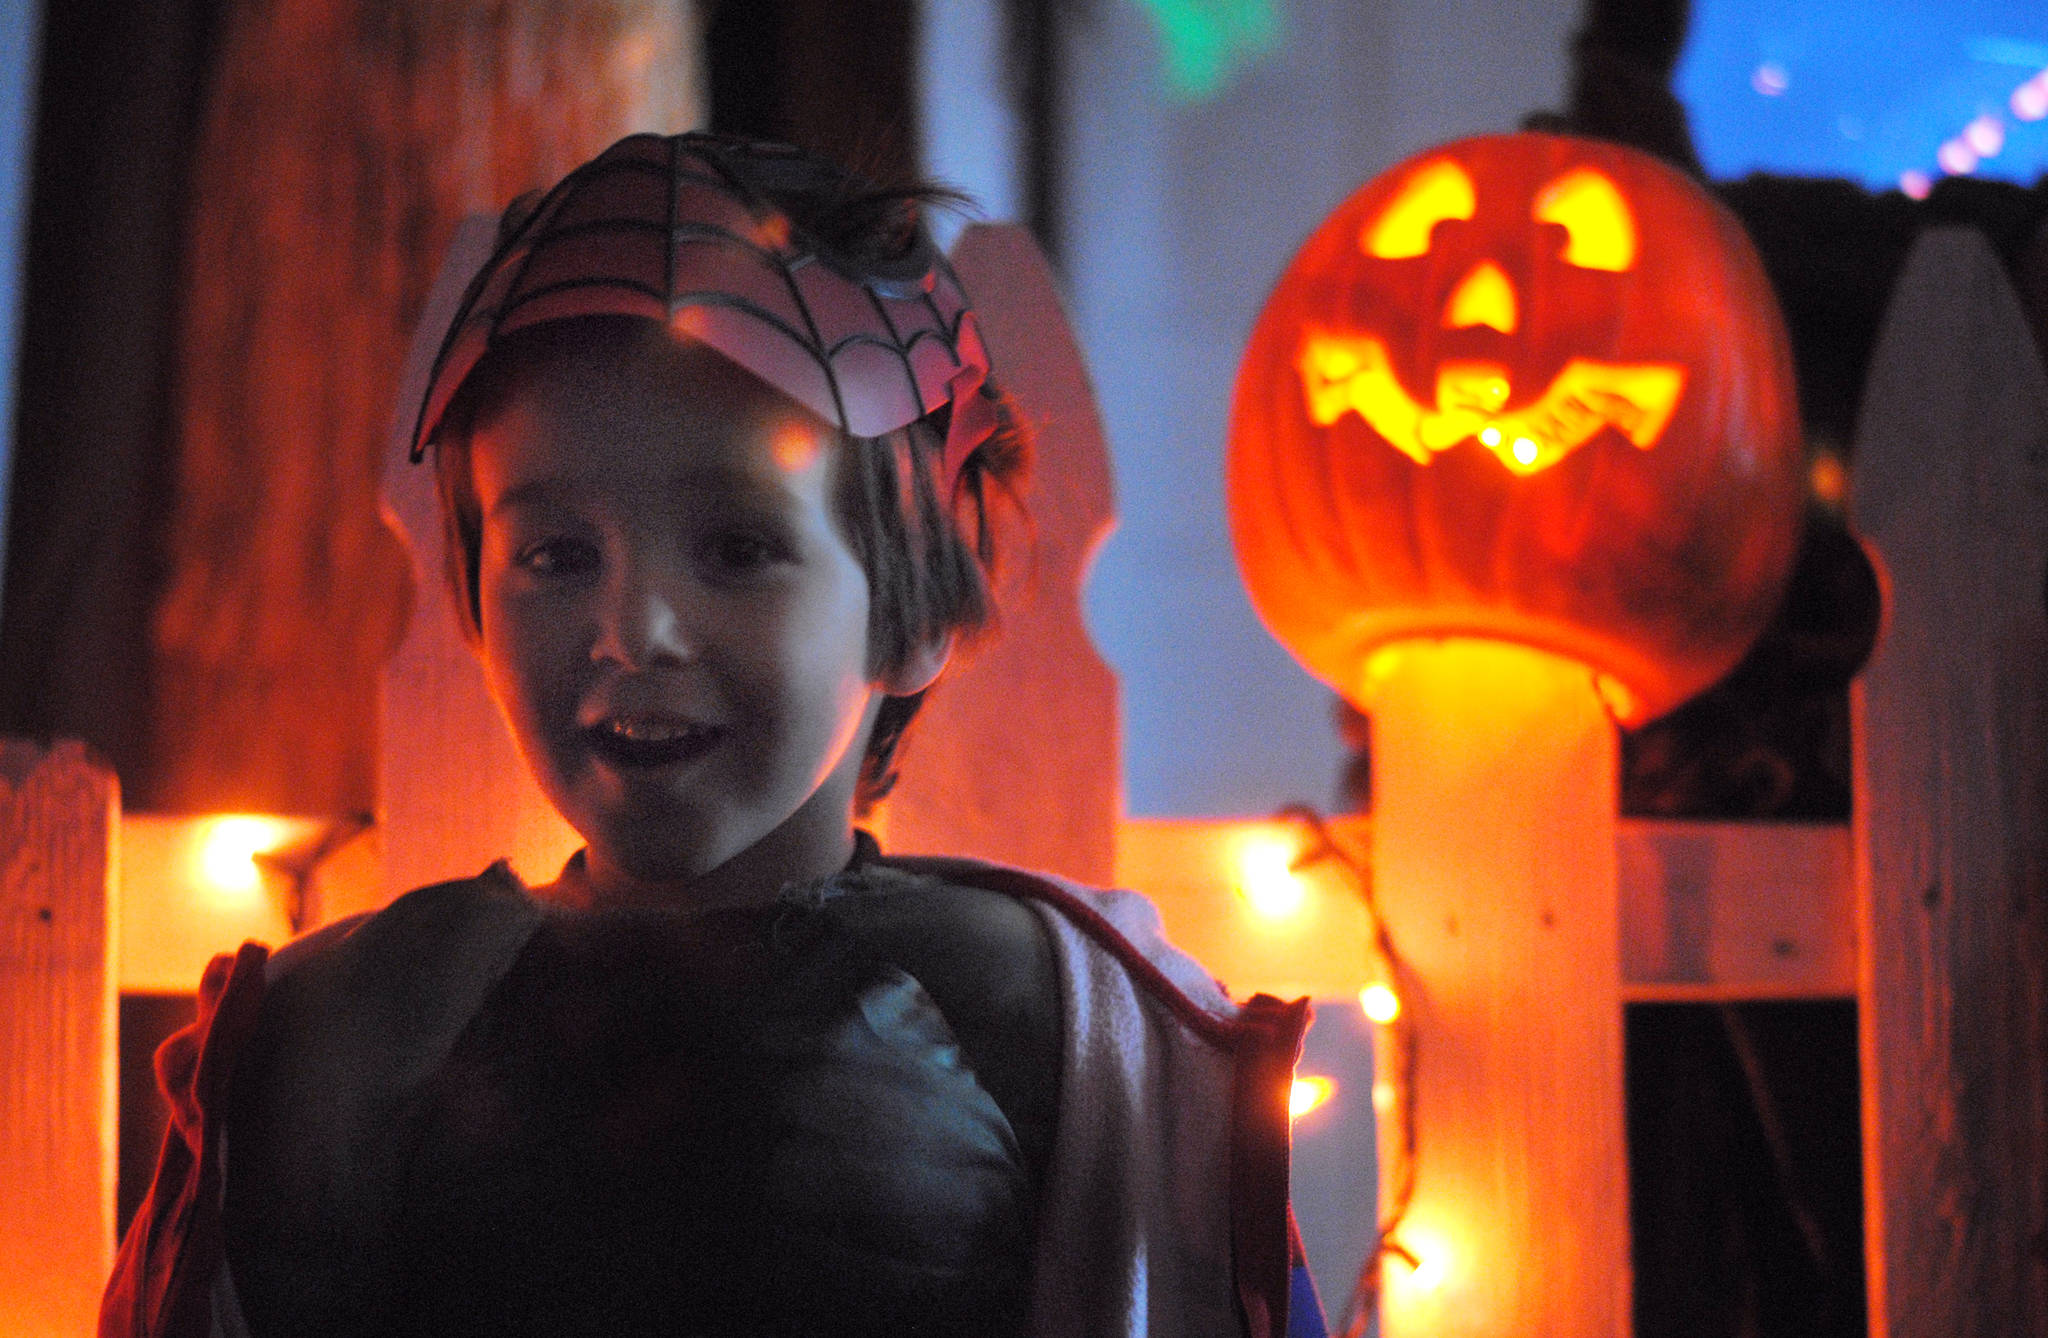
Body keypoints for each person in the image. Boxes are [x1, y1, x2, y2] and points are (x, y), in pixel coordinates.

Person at [103, 131, 1326, 1338]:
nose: (632, 628)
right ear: (474, 602)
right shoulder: (338, 1035)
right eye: (554, 555)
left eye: (738, 550)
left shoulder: (1069, 1036)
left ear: (912, 605)